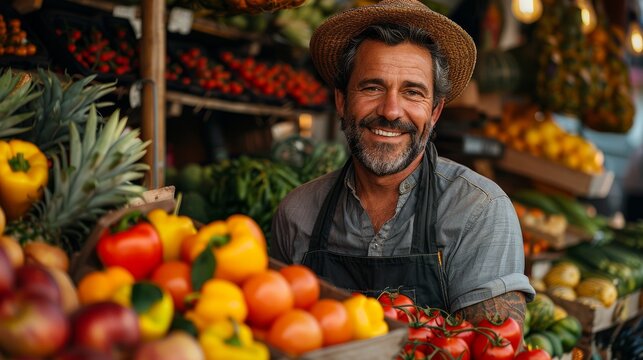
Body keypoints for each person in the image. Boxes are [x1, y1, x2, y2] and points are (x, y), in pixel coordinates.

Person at [270, 0, 535, 328]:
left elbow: (494, 346)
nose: (391, 111)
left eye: (412, 92)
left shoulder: (477, 212)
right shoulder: (297, 216)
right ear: (341, 100)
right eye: (372, 87)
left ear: (435, 112)